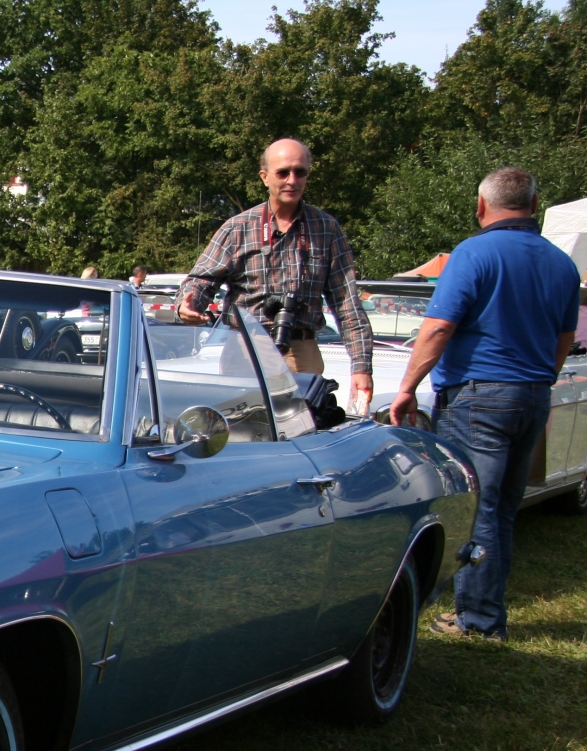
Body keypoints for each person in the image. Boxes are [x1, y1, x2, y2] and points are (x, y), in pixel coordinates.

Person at [390, 167, 579, 641]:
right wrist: (542, 379)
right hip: (533, 393)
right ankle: (485, 608)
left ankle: (478, 618)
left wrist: (409, 386)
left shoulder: (473, 254)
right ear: (534, 206)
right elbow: (565, 337)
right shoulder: (561, 263)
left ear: (480, 206)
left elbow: (437, 328)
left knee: (476, 507)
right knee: (504, 510)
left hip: (479, 396)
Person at [178, 138, 374, 407]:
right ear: (265, 177)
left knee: (301, 429)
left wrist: (362, 367)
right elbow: (200, 280)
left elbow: (347, 303)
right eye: (283, 172)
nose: (292, 180)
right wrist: (187, 304)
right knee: (244, 430)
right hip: (246, 348)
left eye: (300, 172)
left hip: (302, 348)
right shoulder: (238, 228)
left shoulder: (326, 229)